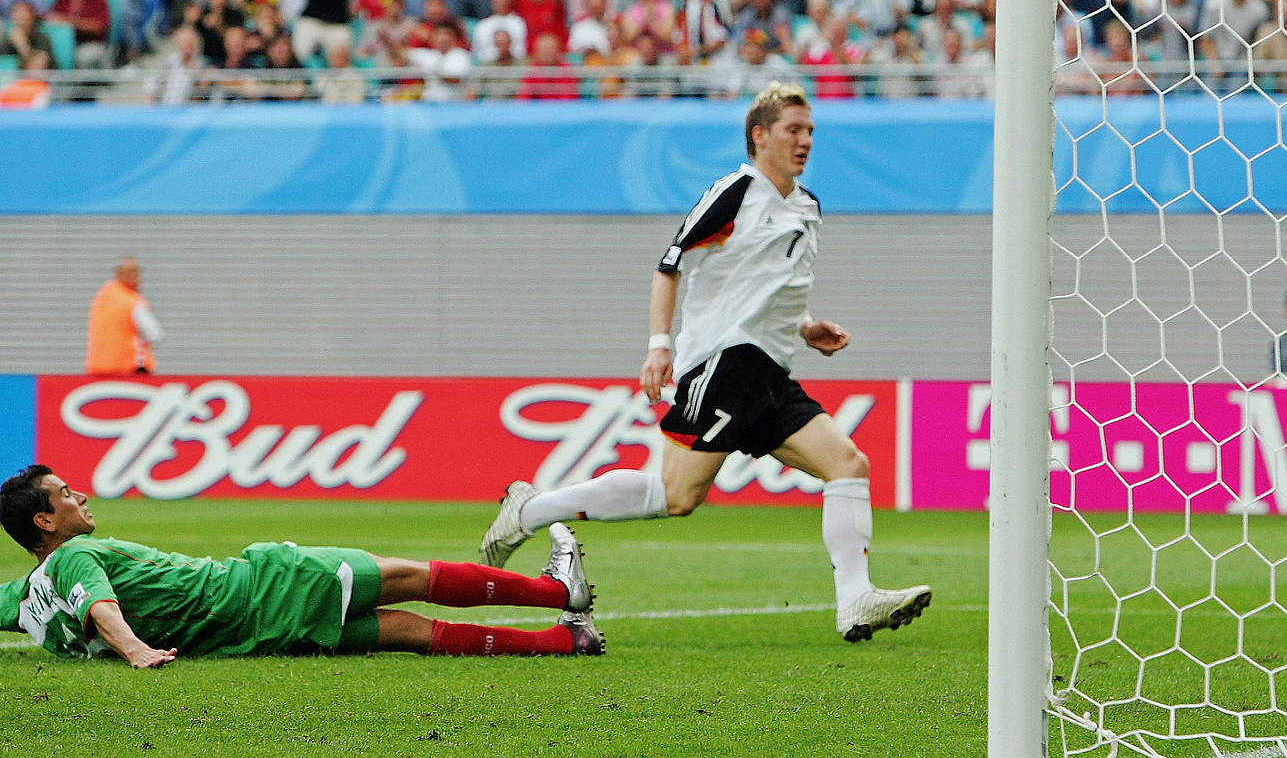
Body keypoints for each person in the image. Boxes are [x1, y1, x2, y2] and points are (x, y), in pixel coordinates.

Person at [478, 82, 932, 643]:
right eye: (794, 129)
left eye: (810, 130)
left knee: (848, 465)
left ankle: (855, 600)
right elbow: (669, 266)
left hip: (770, 371)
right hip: (722, 363)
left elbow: (768, 289)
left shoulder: (808, 208)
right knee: (677, 495)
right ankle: (531, 510)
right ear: (759, 135)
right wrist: (658, 344)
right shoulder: (735, 191)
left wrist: (807, 326)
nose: (806, 140)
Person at [0, 465, 604, 666]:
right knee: (411, 576)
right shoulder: (77, 556)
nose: (80, 497)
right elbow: (102, 607)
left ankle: (564, 642)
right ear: (45, 523)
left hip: (254, 636)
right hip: (264, 587)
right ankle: (558, 593)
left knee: (405, 633)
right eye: (65, 495)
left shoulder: (26, 596)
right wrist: (137, 651)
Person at [86, 257, 165, 377]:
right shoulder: (132, 302)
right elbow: (154, 334)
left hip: (99, 370)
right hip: (130, 370)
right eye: (134, 272)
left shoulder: (101, 298)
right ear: (121, 273)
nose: (137, 277)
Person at [0, 0, 55, 69]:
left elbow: (37, 69)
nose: (20, 15)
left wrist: (23, 46)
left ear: (32, 15)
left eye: (24, 12)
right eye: (16, 12)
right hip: (13, 79)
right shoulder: (8, 38)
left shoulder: (41, 38)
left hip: (41, 79)